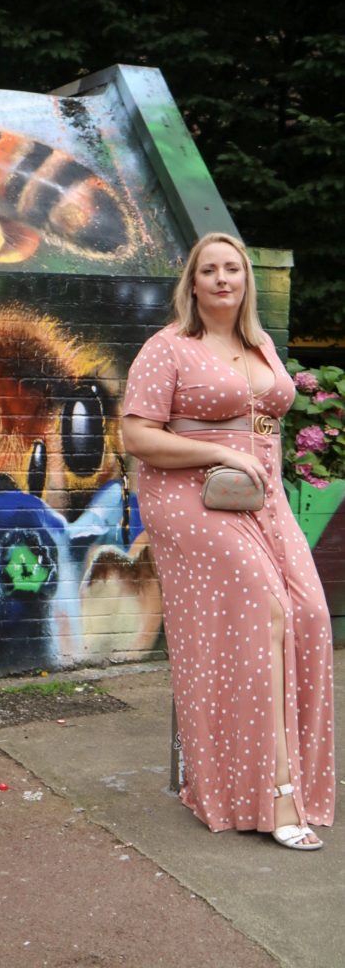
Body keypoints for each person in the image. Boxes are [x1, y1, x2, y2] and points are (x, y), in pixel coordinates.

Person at [121, 232, 335, 850]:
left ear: (245, 281)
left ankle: (294, 778)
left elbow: (267, 420)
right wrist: (220, 450)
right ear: (192, 283)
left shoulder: (259, 343)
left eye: (232, 269)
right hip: (188, 496)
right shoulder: (168, 348)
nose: (221, 279)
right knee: (266, 610)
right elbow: (138, 436)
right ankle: (272, 796)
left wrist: (249, 459)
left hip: (258, 496)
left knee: (311, 614)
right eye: (208, 270)